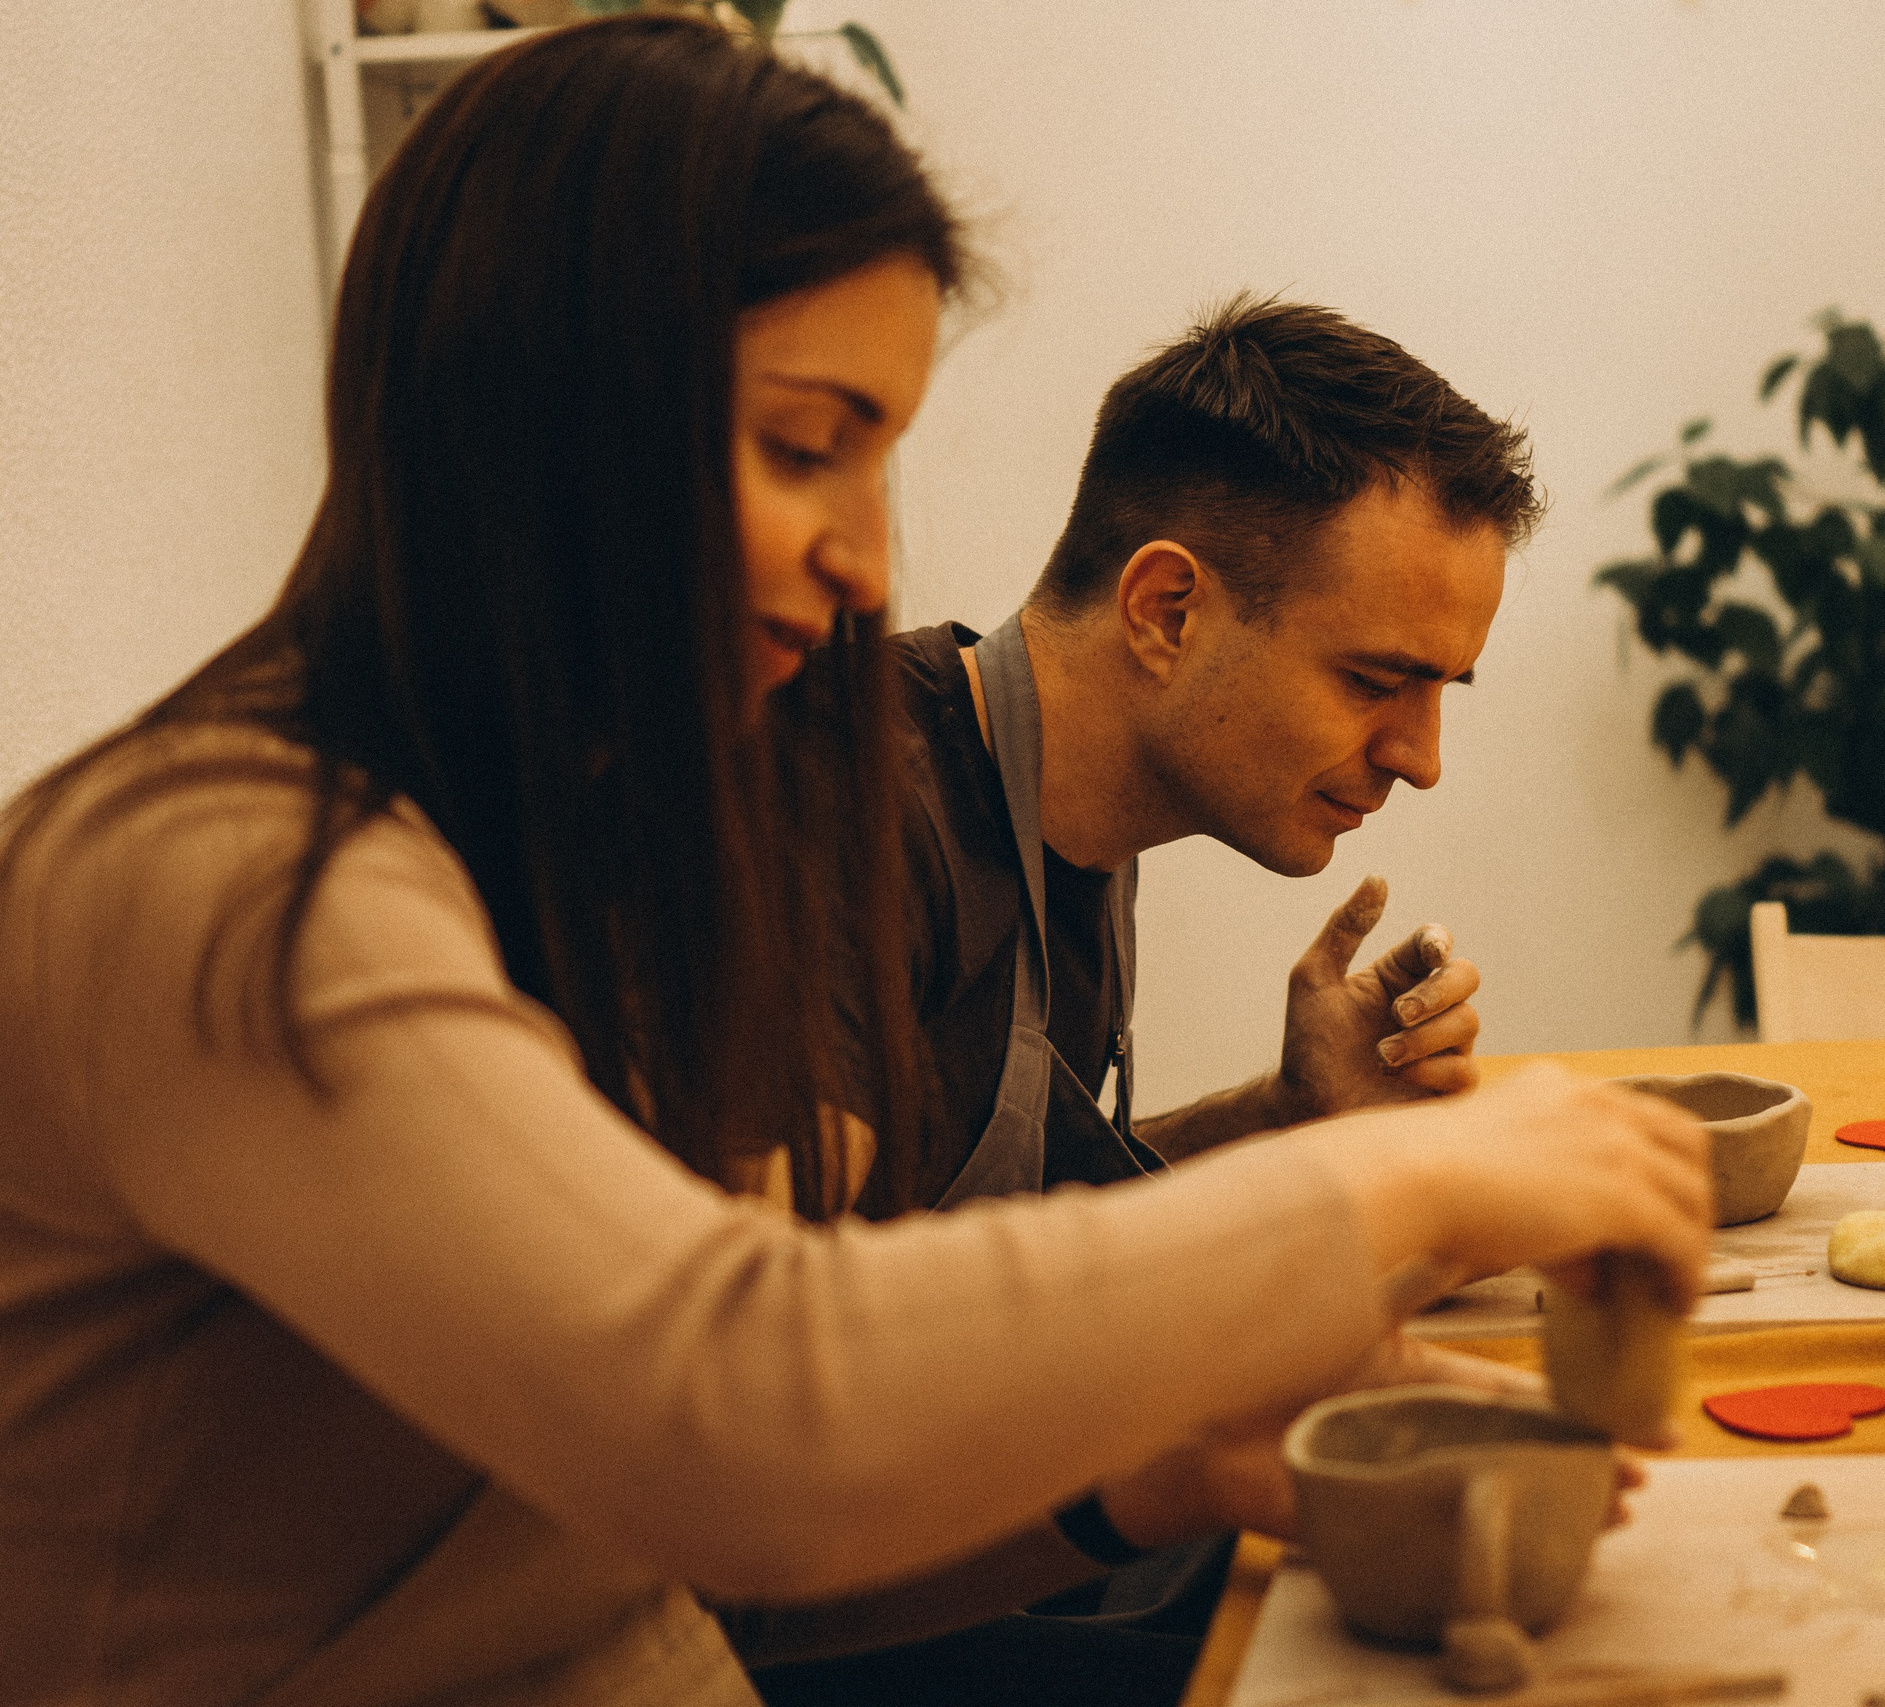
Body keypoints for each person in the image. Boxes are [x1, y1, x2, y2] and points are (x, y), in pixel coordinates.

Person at [0, 18, 1711, 1707]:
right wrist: (1413, 1184)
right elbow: (744, 1402)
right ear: (545, 407)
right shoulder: (233, 880)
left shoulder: (534, 849)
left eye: (881, 459)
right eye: (805, 447)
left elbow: (691, 1553)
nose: (869, 557)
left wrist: (1160, 1478)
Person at [864, 298, 1540, 1219]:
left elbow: (1024, 1224)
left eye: (1443, 689)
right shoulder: (846, 812)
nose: (1421, 761)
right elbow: (778, 1333)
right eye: (1375, 681)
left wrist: (1287, 1113)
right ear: (1166, 612)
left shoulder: (1086, 817)